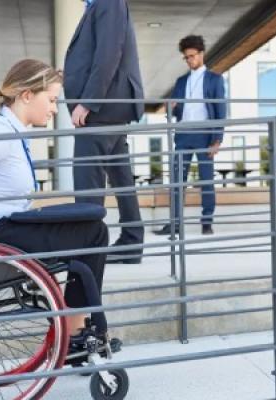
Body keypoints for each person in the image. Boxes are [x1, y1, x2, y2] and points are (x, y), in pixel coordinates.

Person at [0, 59, 108, 336]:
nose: (54, 109)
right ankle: (75, 330)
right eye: (51, 100)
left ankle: (75, 326)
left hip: (0, 226)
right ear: (27, 95)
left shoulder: (10, 130)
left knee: (89, 221)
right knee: (93, 232)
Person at [64, 0, 145, 264]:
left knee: (88, 181)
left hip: (102, 109)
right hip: (110, 108)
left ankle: (90, 250)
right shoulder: (102, 5)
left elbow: (108, 54)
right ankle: (131, 242)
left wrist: (88, 101)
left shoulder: (109, 2)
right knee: (122, 178)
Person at [154, 35, 226, 236]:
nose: (189, 60)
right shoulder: (181, 81)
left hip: (205, 135)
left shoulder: (215, 79)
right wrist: (172, 108)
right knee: (178, 181)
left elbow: (221, 111)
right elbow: (174, 112)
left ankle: (207, 223)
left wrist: (218, 139)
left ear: (201, 54)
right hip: (184, 134)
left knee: (206, 180)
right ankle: (175, 224)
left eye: (192, 56)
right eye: (186, 57)